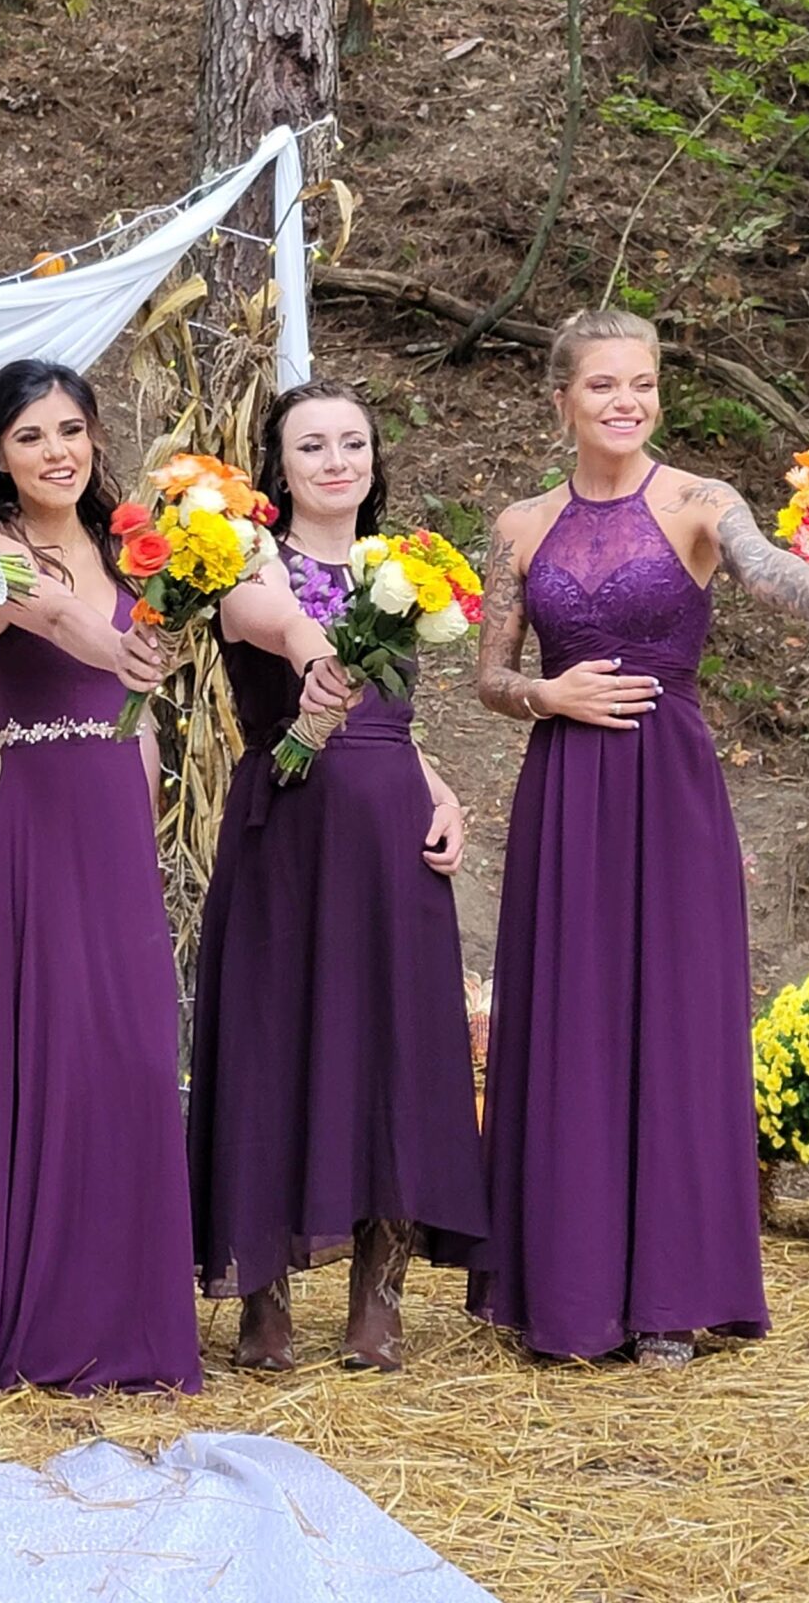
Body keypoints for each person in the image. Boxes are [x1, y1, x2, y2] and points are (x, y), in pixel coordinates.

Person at [471, 309, 809, 1366]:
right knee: (571, 1020)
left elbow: (768, 570)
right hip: (565, 788)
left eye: (643, 384)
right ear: (560, 399)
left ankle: (668, 1296)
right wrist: (543, 694)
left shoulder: (704, 501)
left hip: (669, 789)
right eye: (603, 384)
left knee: (670, 1021)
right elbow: (485, 677)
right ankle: (564, 1293)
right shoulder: (519, 525)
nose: (627, 402)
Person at [187, 377, 486, 1373]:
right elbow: (273, 625)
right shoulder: (239, 556)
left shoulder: (406, 567)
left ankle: (379, 1297)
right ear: (281, 466)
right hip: (285, 828)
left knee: (390, 1050)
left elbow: (389, 723)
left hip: (391, 832)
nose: (335, 462)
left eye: (352, 443)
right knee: (272, 1044)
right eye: (311, 446)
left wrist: (438, 789)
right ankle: (261, 1301)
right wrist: (325, 649)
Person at [0, 360, 203, 1396]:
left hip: (117, 813)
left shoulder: (133, 546)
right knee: (60, 1063)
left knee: (140, 1062)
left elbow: (142, 688)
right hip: (44, 817)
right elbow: (56, 625)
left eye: (70, 429)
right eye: (30, 436)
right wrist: (124, 647)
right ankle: (53, 1331)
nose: (55, 450)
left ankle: (139, 1325)